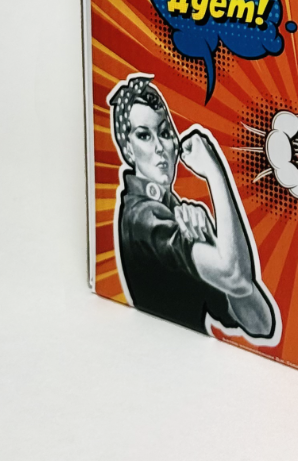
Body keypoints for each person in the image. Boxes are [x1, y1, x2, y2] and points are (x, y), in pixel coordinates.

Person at [110, 74, 277, 341]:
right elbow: (235, 276)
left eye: (164, 133)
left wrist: (211, 239)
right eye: (143, 136)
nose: (159, 147)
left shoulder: (174, 213)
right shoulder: (141, 217)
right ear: (128, 150)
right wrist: (214, 171)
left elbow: (260, 323)